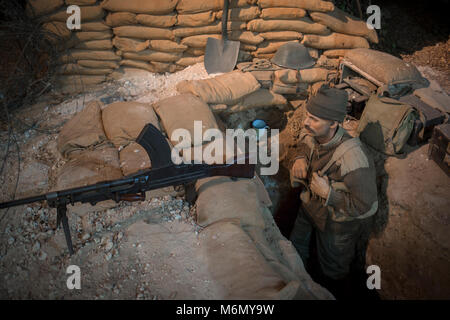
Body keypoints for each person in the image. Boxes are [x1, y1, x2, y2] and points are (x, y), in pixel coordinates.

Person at [289, 85, 378, 298]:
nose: (306, 123)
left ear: (334, 124)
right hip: (309, 207)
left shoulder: (353, 158)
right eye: (307, 116)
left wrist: (329, 194)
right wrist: (299, 158)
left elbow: (367, 206)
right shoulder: (314, 133)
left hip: (336, 225)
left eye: (314, 119)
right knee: (293, 252)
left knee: (332, 272)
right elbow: (302, 145)